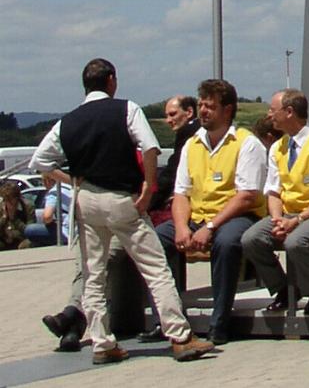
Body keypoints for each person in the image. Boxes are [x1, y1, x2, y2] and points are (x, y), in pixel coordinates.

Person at [29, 57, 213, 364]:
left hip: (86, 199)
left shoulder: (67, 121)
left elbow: (40, 161)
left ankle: (103, 343)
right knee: (155, 268)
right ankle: (180, 335)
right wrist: (148, 186)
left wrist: (73, 179)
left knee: (94, 275)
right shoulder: (126, 109)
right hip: (121, 197)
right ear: (111, 80)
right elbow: (150, 147)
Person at [153, 78, 267, 345]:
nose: (203, 111)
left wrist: (211, 227)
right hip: (198, 217)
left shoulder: (246, 143)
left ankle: (220, 321)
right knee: (156, 239)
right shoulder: (192, 144)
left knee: (226, 244)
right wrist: (182, 227)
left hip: (237, 216)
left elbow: (246, 196)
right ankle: (169, 318)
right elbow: (181, 192)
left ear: (227, 110)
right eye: (202, 105)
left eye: (210, 106)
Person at [241, 89, 309, 315]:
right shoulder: (278, 147)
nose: (269, 115)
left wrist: (297, 220)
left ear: (289, 112)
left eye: (272, 110)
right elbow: (274, 191)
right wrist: (277, 219)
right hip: (287, 215)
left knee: (295, 242)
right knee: (251, 239)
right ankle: (283, 290)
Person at [149, 96, 200, 220]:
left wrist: (150, 203)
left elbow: (172, 172)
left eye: (172, 114)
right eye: (167, 116)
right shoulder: (200, 130)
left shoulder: (187, 133)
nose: (168, 120)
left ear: (189, 112)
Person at [24, 176, 73, 246]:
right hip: (76, 230)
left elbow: (47, 217)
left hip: (65, 232)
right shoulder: (69, 188)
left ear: (47, 181)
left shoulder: (53, 192)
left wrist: (49, 222)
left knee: (29, 230)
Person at [0, 181, 31, 250]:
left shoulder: (27, 207)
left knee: (27, 244)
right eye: (5, 200)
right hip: (5, 239)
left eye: (10, 200)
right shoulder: (1, 207)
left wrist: (14, 219)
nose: (8, 203)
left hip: (20, 239)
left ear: (17, 198)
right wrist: (4, 218)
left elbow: (29, 231)